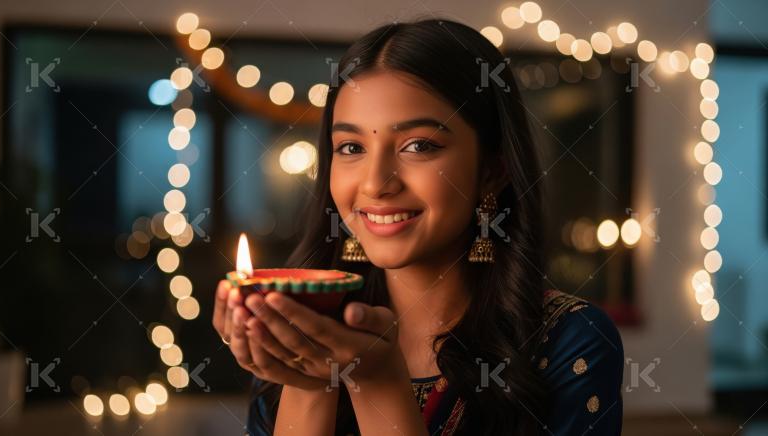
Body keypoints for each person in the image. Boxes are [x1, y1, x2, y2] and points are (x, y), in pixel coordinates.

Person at [212, 17, 624, 436]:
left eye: (418, 146)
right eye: (351, 147)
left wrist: (375, 380)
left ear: (492, 171)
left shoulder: (568, 342)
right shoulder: (301, 331)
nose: (376, 183)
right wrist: (310, 378)